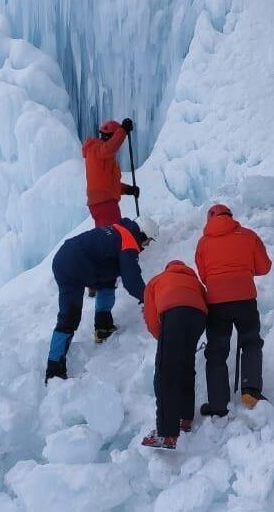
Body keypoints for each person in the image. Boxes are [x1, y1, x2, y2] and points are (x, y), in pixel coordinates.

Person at [44, 216, 158, 384]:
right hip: (72, 266)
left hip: (71, 257)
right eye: (147, 241)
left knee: (108, 281)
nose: (146, 246)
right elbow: (131, 279)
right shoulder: (128, 242)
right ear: (141, 234)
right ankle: (54, 369)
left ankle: (103, 327)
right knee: (69, 317)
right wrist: (149, 299)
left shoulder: (119, 230)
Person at [195, 204, 271, 414]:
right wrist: (243, 269)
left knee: (217, 351)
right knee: (251, 342)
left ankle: (218, 404)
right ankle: (251, 391)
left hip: (217, 303)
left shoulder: (203, 243)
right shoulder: (248, 236)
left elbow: (203, 275)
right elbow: (264, 266)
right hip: (245, 299)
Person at [140, 260, 207, 450]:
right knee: (186, 366)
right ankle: (185, 418)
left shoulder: (157, 281)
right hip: (198, 318)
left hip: (174, 314)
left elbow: (152, 318)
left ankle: (166, 433)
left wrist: (162, 338)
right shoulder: (195, 283)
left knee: (165, 372)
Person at [83, 118, 139, 227]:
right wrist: (123, 130)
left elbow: (109, 184)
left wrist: (128, 189)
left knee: (106, 235)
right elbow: (110, 147)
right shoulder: (96, 149)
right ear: (111, 137)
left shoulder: (102, 156)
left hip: (102, 202)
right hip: (104, 203)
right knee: (114, 233)